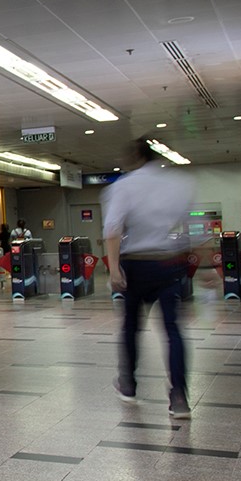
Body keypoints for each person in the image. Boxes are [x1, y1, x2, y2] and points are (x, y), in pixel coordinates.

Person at [105, 137, 196, 419]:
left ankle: (129, 384)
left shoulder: (124, 185)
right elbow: (194, 226)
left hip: (136, 265)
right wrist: (203, 266)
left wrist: (114, 269)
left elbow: (113, 229)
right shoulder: (177, 183)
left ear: (137, 156)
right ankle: (178, 395)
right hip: (168, 264)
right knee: (173, 330)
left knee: (131, 326)